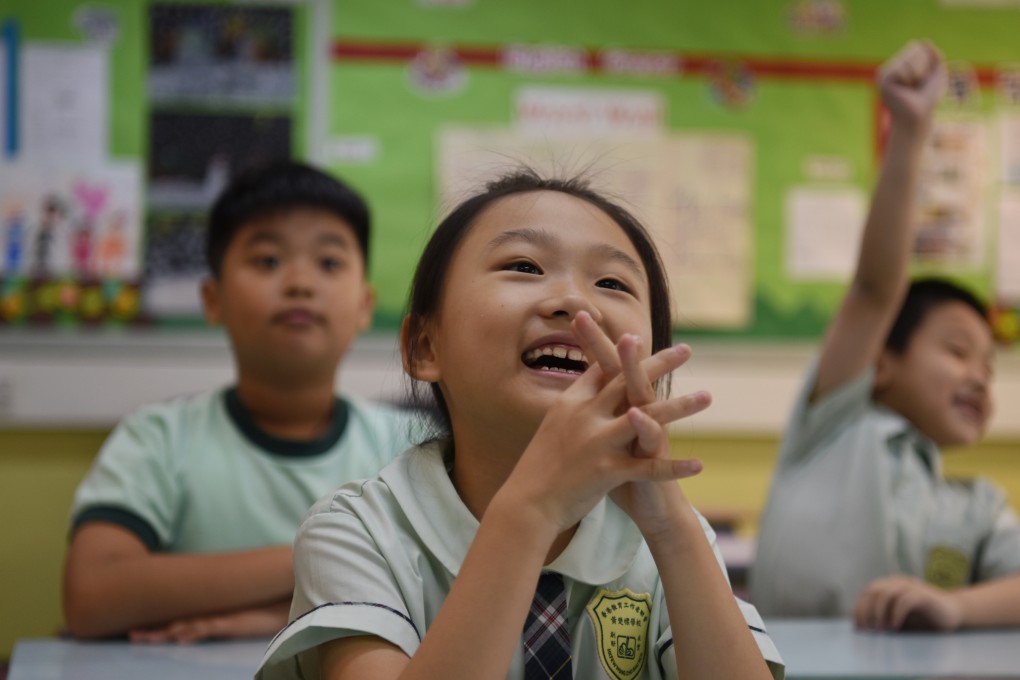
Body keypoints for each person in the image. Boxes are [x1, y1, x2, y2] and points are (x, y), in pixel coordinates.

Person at [256, 170, 783, 679]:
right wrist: (534, 507)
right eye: (525, 267)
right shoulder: (357, 530)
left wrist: (672, 530)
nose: (575, 301)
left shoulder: (669, 538)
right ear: (425, 347)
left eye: (611, 282)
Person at [62, 161, 419, 642]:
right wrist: (327, 559)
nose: (300, 283)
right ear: (213, 299)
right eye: (268, 261)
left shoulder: (408, 446)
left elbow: (448, 588)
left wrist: (272, 616)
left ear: (364, 305)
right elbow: (92, 595)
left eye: (329, 263)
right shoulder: (160, 438)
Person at [751, 40, 1020, 630]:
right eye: (957, 351)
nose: (979, 377)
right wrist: (910, 129)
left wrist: (956, 606)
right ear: (882, 363)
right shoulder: (835, 423)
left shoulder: (977, 507)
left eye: (989, 368)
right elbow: (876, 289)